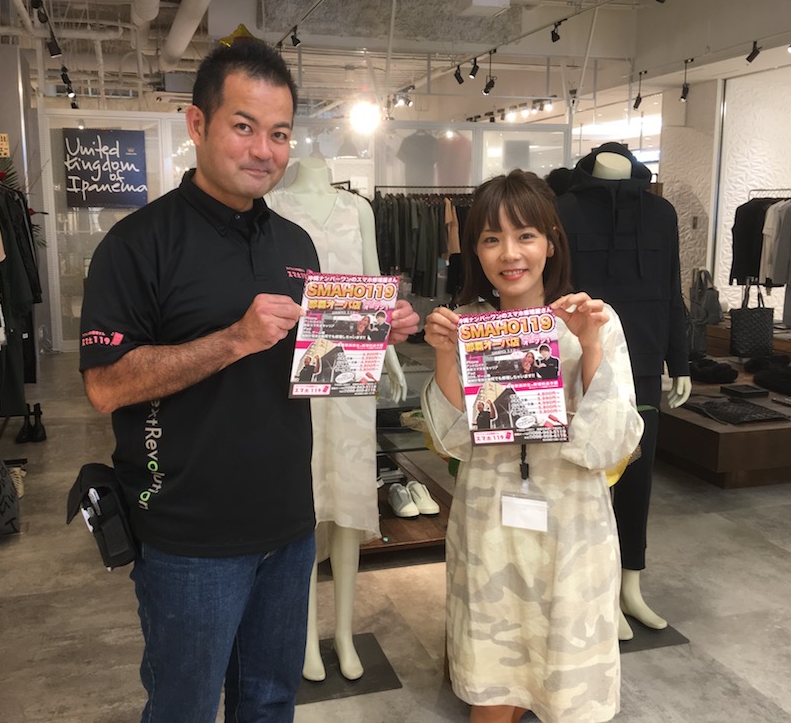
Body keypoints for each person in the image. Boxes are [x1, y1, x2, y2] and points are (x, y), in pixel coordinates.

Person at [79, 40, 418, 722]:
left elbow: (311, 366)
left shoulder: (295, 244)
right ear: (197, 124)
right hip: (189, 537)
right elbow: (106, 386)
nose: (264, 150)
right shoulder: (138, 244)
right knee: (184, 708)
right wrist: (233, 339)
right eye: (244, 126)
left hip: (288, 524)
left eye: (280, 133)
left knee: (270, 702)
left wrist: (368, 333)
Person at [422, 169, 643, 723]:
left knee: (567, 682)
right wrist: (446, 356)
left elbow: (610, 442)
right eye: (491, 238)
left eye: (525, 235)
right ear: (475, 250)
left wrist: (590, 346)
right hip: (490, 524)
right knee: (492, 682)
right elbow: (453, 441)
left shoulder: (593, 320)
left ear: (551, 241)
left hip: (571, 527)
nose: (509, 254)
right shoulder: (468, 326)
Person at [266, 156, 409, 683]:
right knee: (304, 502)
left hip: (352, 364)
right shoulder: (272, 204)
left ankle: (344, 633)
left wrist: (390, 353)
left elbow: (374, 281)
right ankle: (305, 635)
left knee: (347, 499)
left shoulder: (357, 208)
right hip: (293, 370)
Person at [554, 142, 691, 640]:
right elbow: (555, 288)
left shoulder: (661, 213)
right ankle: (599, 588)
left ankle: (631, 586)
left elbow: (672, 289)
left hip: (646, 363)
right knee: (590, 481)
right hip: (583, 362)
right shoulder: (564, 208)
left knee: (637, 480)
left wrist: (680, 361)